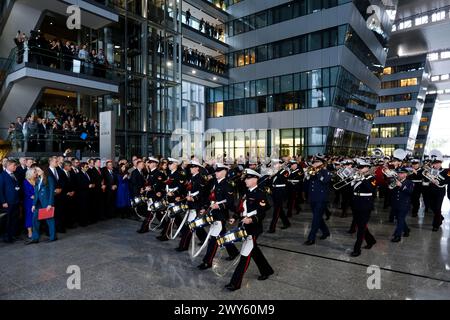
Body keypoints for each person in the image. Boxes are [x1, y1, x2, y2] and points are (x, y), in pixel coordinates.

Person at [225, 169, 274, 291]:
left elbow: (262, 213)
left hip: (254, 228)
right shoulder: (246, 192)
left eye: (248, 178)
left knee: (245, 255)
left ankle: (235, 283)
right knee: (254, 250)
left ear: (255, 179)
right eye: (245, 178)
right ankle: (267, 270)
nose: (245, 180)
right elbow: (241, 208)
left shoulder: (260, 193)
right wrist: (235, 217)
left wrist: (252, 220)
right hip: (244, 225)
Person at [350, 160, 377, 257]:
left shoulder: (372, 178)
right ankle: (371, 240)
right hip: (356, 203)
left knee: (361, 227)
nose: (359, 169)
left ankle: (357, 249)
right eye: (359, 167)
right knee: (360, 225)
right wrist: (353, 179)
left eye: (361, 167)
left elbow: (371, 189)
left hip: (365, 205)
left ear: (367, 168)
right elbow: (351, 189)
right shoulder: (357, 177)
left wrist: (362, 179)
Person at [304, 154, 332, 245]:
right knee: (318, 218)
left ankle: (311, 238)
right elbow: (307, 183)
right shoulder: (312, 171)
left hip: (321, 199)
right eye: (314, 162)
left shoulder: (326, 172)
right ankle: (326, 231)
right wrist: (307, 175)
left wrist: (317, 172)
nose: (314, 163)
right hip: (313, 198)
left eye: (317, 162)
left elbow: (324, 181)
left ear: (322, 163)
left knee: (315, 219)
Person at [26, 166, 56, 244]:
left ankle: (53, 237)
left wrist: (50, 203)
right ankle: (35, 238)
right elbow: (36, 193)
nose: (37, 171)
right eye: (36, 170)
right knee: (34, 220)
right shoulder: (37, 179)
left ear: (43, 170)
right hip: (38, 203)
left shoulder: (49, 178)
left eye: (38, 170)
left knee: (49, 220)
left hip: (46, 203)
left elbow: (51, 192)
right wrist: (33, 204)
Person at [391, 167, 414, 242]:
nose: (399, 175)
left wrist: (401, 186)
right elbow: (391, 190)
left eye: (401, 173)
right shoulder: (395, 181)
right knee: (399, 219)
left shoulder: (409, 182)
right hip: (396, 204)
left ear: (405, 174)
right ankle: (406, 230)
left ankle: (397, 236)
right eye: (398, 173)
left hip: (404, 204)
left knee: (400, 219)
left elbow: (410, 192)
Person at [0, 160, 21, 243]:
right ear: (8, 166)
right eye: (14, 165)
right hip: (7, 202)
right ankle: (7, 237)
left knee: (14, 219)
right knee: (7, 220)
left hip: (15, 201)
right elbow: (0, 190)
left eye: (15, 165)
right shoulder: (2, 176)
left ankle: (12, 235)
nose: (15, 167)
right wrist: (3, 202)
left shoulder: (14, 174)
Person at [268, 159, 291, 233]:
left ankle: (272, 228)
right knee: (279, 210)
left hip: (280, 192)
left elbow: (284, 179)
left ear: (281, 164)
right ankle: (286, 223)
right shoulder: (274, 172)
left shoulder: (285, 172)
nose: (274, 166)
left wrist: (276, 172)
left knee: (276, 210)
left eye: (276, 164)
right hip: (274, 192)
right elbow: (271, 182)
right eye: (274, 164)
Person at [23, 168, 37, 239]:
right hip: (29, 202)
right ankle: (29, 231)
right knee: (29, 216)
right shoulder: (25, 182)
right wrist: (35, 196)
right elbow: (27, 193)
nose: (36, 173)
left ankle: (35, 230)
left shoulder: (36, 180)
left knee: (35, 216)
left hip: (37, 201)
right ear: (30, 173)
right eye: (34, 172)